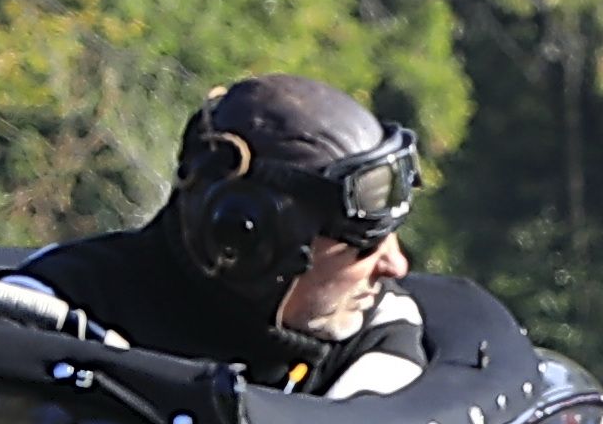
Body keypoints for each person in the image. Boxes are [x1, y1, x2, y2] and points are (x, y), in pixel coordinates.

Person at [30, 71, 432, 390]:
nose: (396, 265)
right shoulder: (55, 310)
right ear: (248, 239)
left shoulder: (377, 327)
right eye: (364, 245)